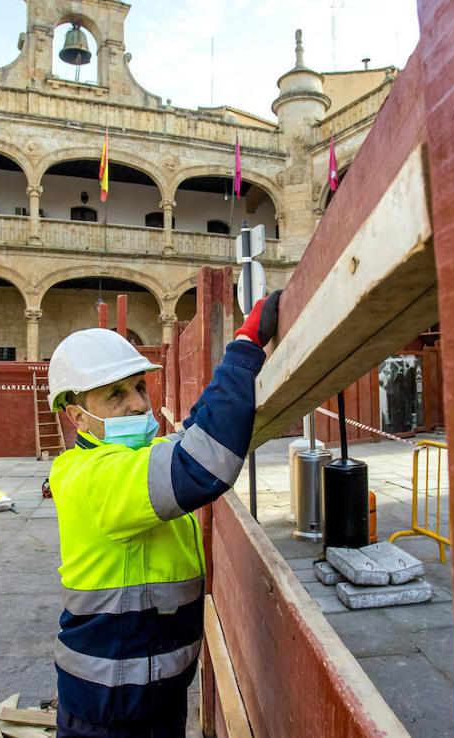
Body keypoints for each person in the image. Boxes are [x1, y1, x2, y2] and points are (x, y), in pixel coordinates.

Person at [46, 292, 281, 737]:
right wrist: (246, 345)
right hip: (111, 706)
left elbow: (196, 433)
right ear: (77, 417)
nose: (138, 404)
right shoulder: (92, 475)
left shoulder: (139, 456)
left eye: (139, 387)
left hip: (150, 692)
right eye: (115, 395)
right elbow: (203, 463)